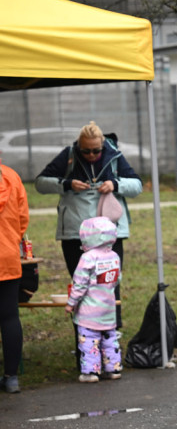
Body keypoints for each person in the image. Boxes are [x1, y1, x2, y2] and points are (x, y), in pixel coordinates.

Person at [35, 121, 143, 329]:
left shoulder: (114, 156)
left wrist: (115, 184)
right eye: (86, 151)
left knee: (110, 285)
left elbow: (137, 186)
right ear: (78, 147)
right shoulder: (68, 156)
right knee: (82, 285)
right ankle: (84, 335)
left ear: (103, 145)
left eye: (96, 151)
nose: (92, 155)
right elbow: (40, 182)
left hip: (109, 235)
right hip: (76, 234)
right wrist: (67, 184)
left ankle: (111, 335)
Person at [65, 216, 122, 383]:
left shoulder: (88, 258)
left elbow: (80, 284)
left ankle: (91, 372)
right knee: (110, 339)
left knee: (89, 340)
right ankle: (113, 368)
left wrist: (71, 303)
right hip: (108, 308)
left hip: (89, 311)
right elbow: (117, 279)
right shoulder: (114, 256)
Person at [0, 156, 29, 394]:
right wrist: (12, 240)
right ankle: (11, 377)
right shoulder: (11, 176)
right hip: (7, 256)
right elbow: (22, 219)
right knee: (9, 317)